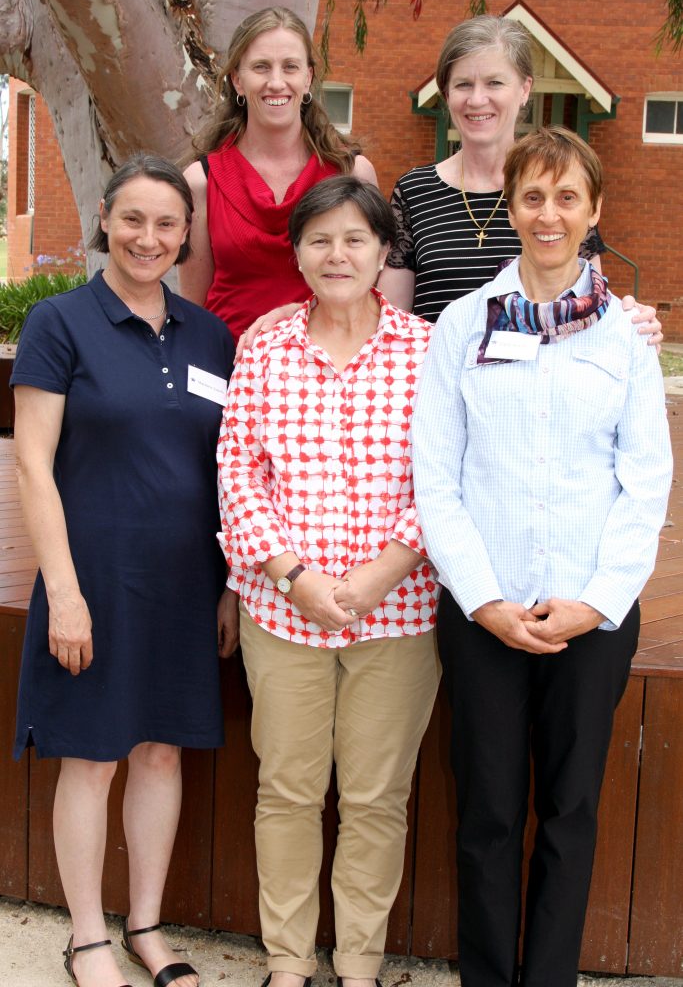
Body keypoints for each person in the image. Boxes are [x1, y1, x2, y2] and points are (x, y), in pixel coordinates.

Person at [411, 127, 673, 987]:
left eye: (567, 197)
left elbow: (644, 485)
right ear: (509, 208)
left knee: (569, 809)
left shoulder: (625, 340)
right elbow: (436, 481)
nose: (548, 213)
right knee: (486, 812)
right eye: (532, 196)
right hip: (483, 612)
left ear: (593, 210)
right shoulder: (460, 325)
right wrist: (481, 599)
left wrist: (595, 602)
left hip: (589, 616)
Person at [11, 154, 236, 987]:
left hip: (183, 584)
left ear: (186, 236)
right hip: (93, 579)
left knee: (161, 754)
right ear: (105, 218)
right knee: (93, 756)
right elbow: (34, 466)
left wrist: (228, 590)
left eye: (167, 223)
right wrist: (63, 593)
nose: (149, 238)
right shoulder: (60, 324)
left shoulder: (211, 335)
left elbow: (230, 471)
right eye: (133, 219)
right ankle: (86, 937)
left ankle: (145, 927)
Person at [217, 176, 441, 987]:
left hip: (400, 613)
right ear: (298, 254)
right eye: (319, 239)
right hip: (285, 614)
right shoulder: (265, 347)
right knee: (286, 790)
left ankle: (357, 964)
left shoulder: (427, 350)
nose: (337, 254)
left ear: (384, 251)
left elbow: (449, 479)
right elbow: (237, 472)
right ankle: (287, 962)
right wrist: (293, 575)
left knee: (376, 799)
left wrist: (384, 571)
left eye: (355, 238)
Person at [239, 14, 660, 346]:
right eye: (463, 84)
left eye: (494, 82)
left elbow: (591, 304)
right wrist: (301, 315)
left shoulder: (556, 195)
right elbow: (384, 315)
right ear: (446, 93)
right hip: (438, 402)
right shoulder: (415, 192)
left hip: (537, 405)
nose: (477, 100)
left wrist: (634, 319)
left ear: (525, 89)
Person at [180, 5, 377, 343]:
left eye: (290, 67)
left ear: (308, 77)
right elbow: (192, 308)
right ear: (238, 80)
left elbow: (369, 293)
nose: (276, 82)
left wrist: (300, 314)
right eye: (261, 67)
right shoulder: (202, 180)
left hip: (325, 368)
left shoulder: (352, 173)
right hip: (227, 368)